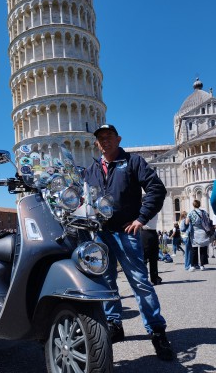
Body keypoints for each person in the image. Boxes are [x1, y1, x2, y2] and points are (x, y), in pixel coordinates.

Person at [85, 124, 174, 361]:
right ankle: (114, 324)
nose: (105, 141)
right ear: (97, 143)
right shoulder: (91, 170)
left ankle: (157, 331)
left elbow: (156, 189)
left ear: (118, 138)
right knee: (106, 283)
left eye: (109, 136)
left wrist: (141, 218)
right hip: (101, 234)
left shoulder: (133, 162)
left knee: (140, 282)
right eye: (101, 138)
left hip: (126, 232)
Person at [185, 200, 210, 271]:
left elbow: (186, 223)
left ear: (193, 205)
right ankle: (202, 265)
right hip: (203, 231)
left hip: (195, 232)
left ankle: (193, 265)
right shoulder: (204, 212)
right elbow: (208, 221)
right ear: (199, 204)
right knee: (203, 249)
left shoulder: (191, 212)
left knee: (194, 249)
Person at [140, 214, 162, 285]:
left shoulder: (143, 209)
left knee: (144, 257)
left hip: (144, 232)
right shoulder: (154, 209)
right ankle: (155, 278)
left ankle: (144, 278)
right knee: (153, 258)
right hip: (153, 232)